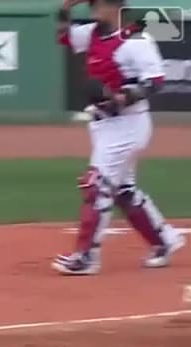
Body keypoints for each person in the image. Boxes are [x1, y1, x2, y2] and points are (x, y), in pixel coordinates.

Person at [52, 0, 185, 275]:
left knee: (96, 184)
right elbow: (63, 36)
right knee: (123, 191)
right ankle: (163, 241)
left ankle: (86, 257)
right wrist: (65, 7)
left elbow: (155, 81)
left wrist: (121, 97)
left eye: (97, 4)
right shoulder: (90, 33)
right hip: (103, 126)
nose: (92, 9)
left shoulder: (135, 42)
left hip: (129, 124)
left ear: (115, 7)